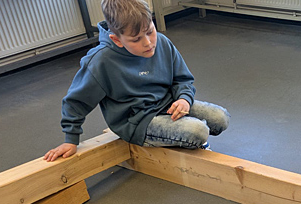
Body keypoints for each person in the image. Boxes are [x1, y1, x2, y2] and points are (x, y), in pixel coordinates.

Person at [44, 0, 229, 162]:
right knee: (198, 132)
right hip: (138, 122)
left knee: (220, 118)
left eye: (150, 31)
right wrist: (71, 139)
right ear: (117, 40)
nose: (148, 43)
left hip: (168, 105)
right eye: (136, 39)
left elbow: (183, 79)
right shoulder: (100, 62)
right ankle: (175, 138)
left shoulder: (162, 42)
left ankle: (174, 134)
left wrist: (184, 99)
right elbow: (76, 102)